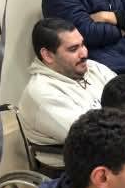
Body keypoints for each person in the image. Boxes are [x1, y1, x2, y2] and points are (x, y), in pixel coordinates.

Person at [18, 18, 116, 168]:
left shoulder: (92, 67)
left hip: (111, 151)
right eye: (73, 49)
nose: (84, 53)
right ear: (48, 55)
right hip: (75, 170)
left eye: (83, 44)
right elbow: (92, 138)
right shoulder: (41, 93)